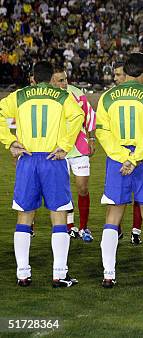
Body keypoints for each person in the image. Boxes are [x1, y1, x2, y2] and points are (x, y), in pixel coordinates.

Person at [0, 61, 84, 287]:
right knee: (59, 214)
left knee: (25, 216)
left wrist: (10, 142)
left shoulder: (18, 96)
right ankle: (59, 273)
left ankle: (22, 274)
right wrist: (65, 145)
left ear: (33, 78)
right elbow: (78, 116)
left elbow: (1, 115)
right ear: (50, 78)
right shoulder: (61, 96)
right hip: (52, 159)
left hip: (27, 160)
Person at [96, 53, 143, 289]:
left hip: (117, 159)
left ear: (125, 71)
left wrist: (122, 157)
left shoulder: (106, 97)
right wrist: (134, 158)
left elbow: (102, 132)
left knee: (113, 215)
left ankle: (108, 273)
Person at [49, 66, 96, 242]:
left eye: (65, 79)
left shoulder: (76, 93)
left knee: (83, 188)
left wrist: (91, 140)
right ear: (52, 80)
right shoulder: (49, 97)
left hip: (79, 148)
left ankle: (84, 228)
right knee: (63, 189)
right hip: (58, 149)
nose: (64, 83)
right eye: (60, 80)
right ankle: (70, 226)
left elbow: (89, 116)